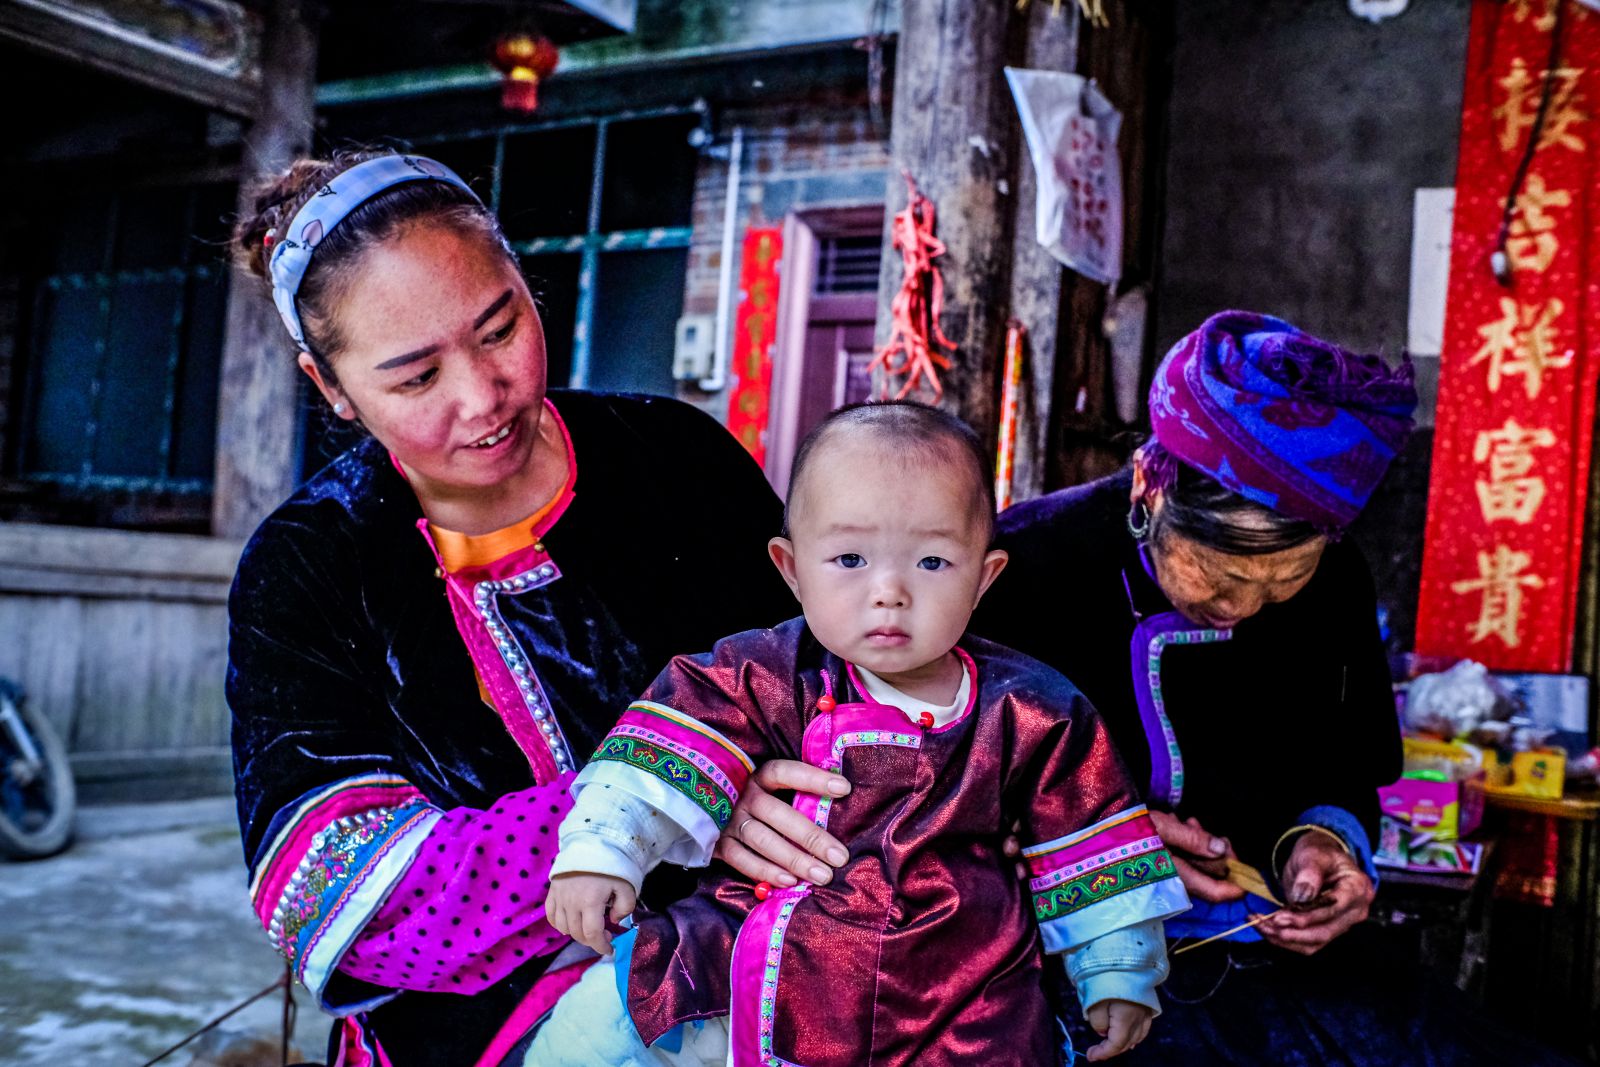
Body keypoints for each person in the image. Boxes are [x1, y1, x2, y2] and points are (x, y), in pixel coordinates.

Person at [225, 150, 851, 1066]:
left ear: (524, 282)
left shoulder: (678, 460)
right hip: (485, 1032)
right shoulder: (311, 563)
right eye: (415, 377)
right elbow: (337, 893)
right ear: (332, 388)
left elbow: (840, 686)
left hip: (771, 965)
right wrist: (674, 796)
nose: (483, 396)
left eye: (499, 326)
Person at [976, 310, 1571, 1064]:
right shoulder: (1020, 568)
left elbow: (1343, 765)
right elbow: (936, 797)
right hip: (1057, 967)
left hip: (1258, 948)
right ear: (1149, 487)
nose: (1243, 609)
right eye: (1219, 576)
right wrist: (1101, 846)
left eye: (1282, 583)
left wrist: (1325, 840)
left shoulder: (1337, 582)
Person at [529, 402, 1192, 1067]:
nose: (889, 591)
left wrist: (1118, 972)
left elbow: (1092, 836)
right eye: (849, 557)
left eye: (932, 562)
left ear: (984, 578)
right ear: (791, 569)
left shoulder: (1034, 708)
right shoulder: (761, 670)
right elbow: (658, 756)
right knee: (596, 1026)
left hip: (953, 984)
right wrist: (601, 852)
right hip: (756, 954)